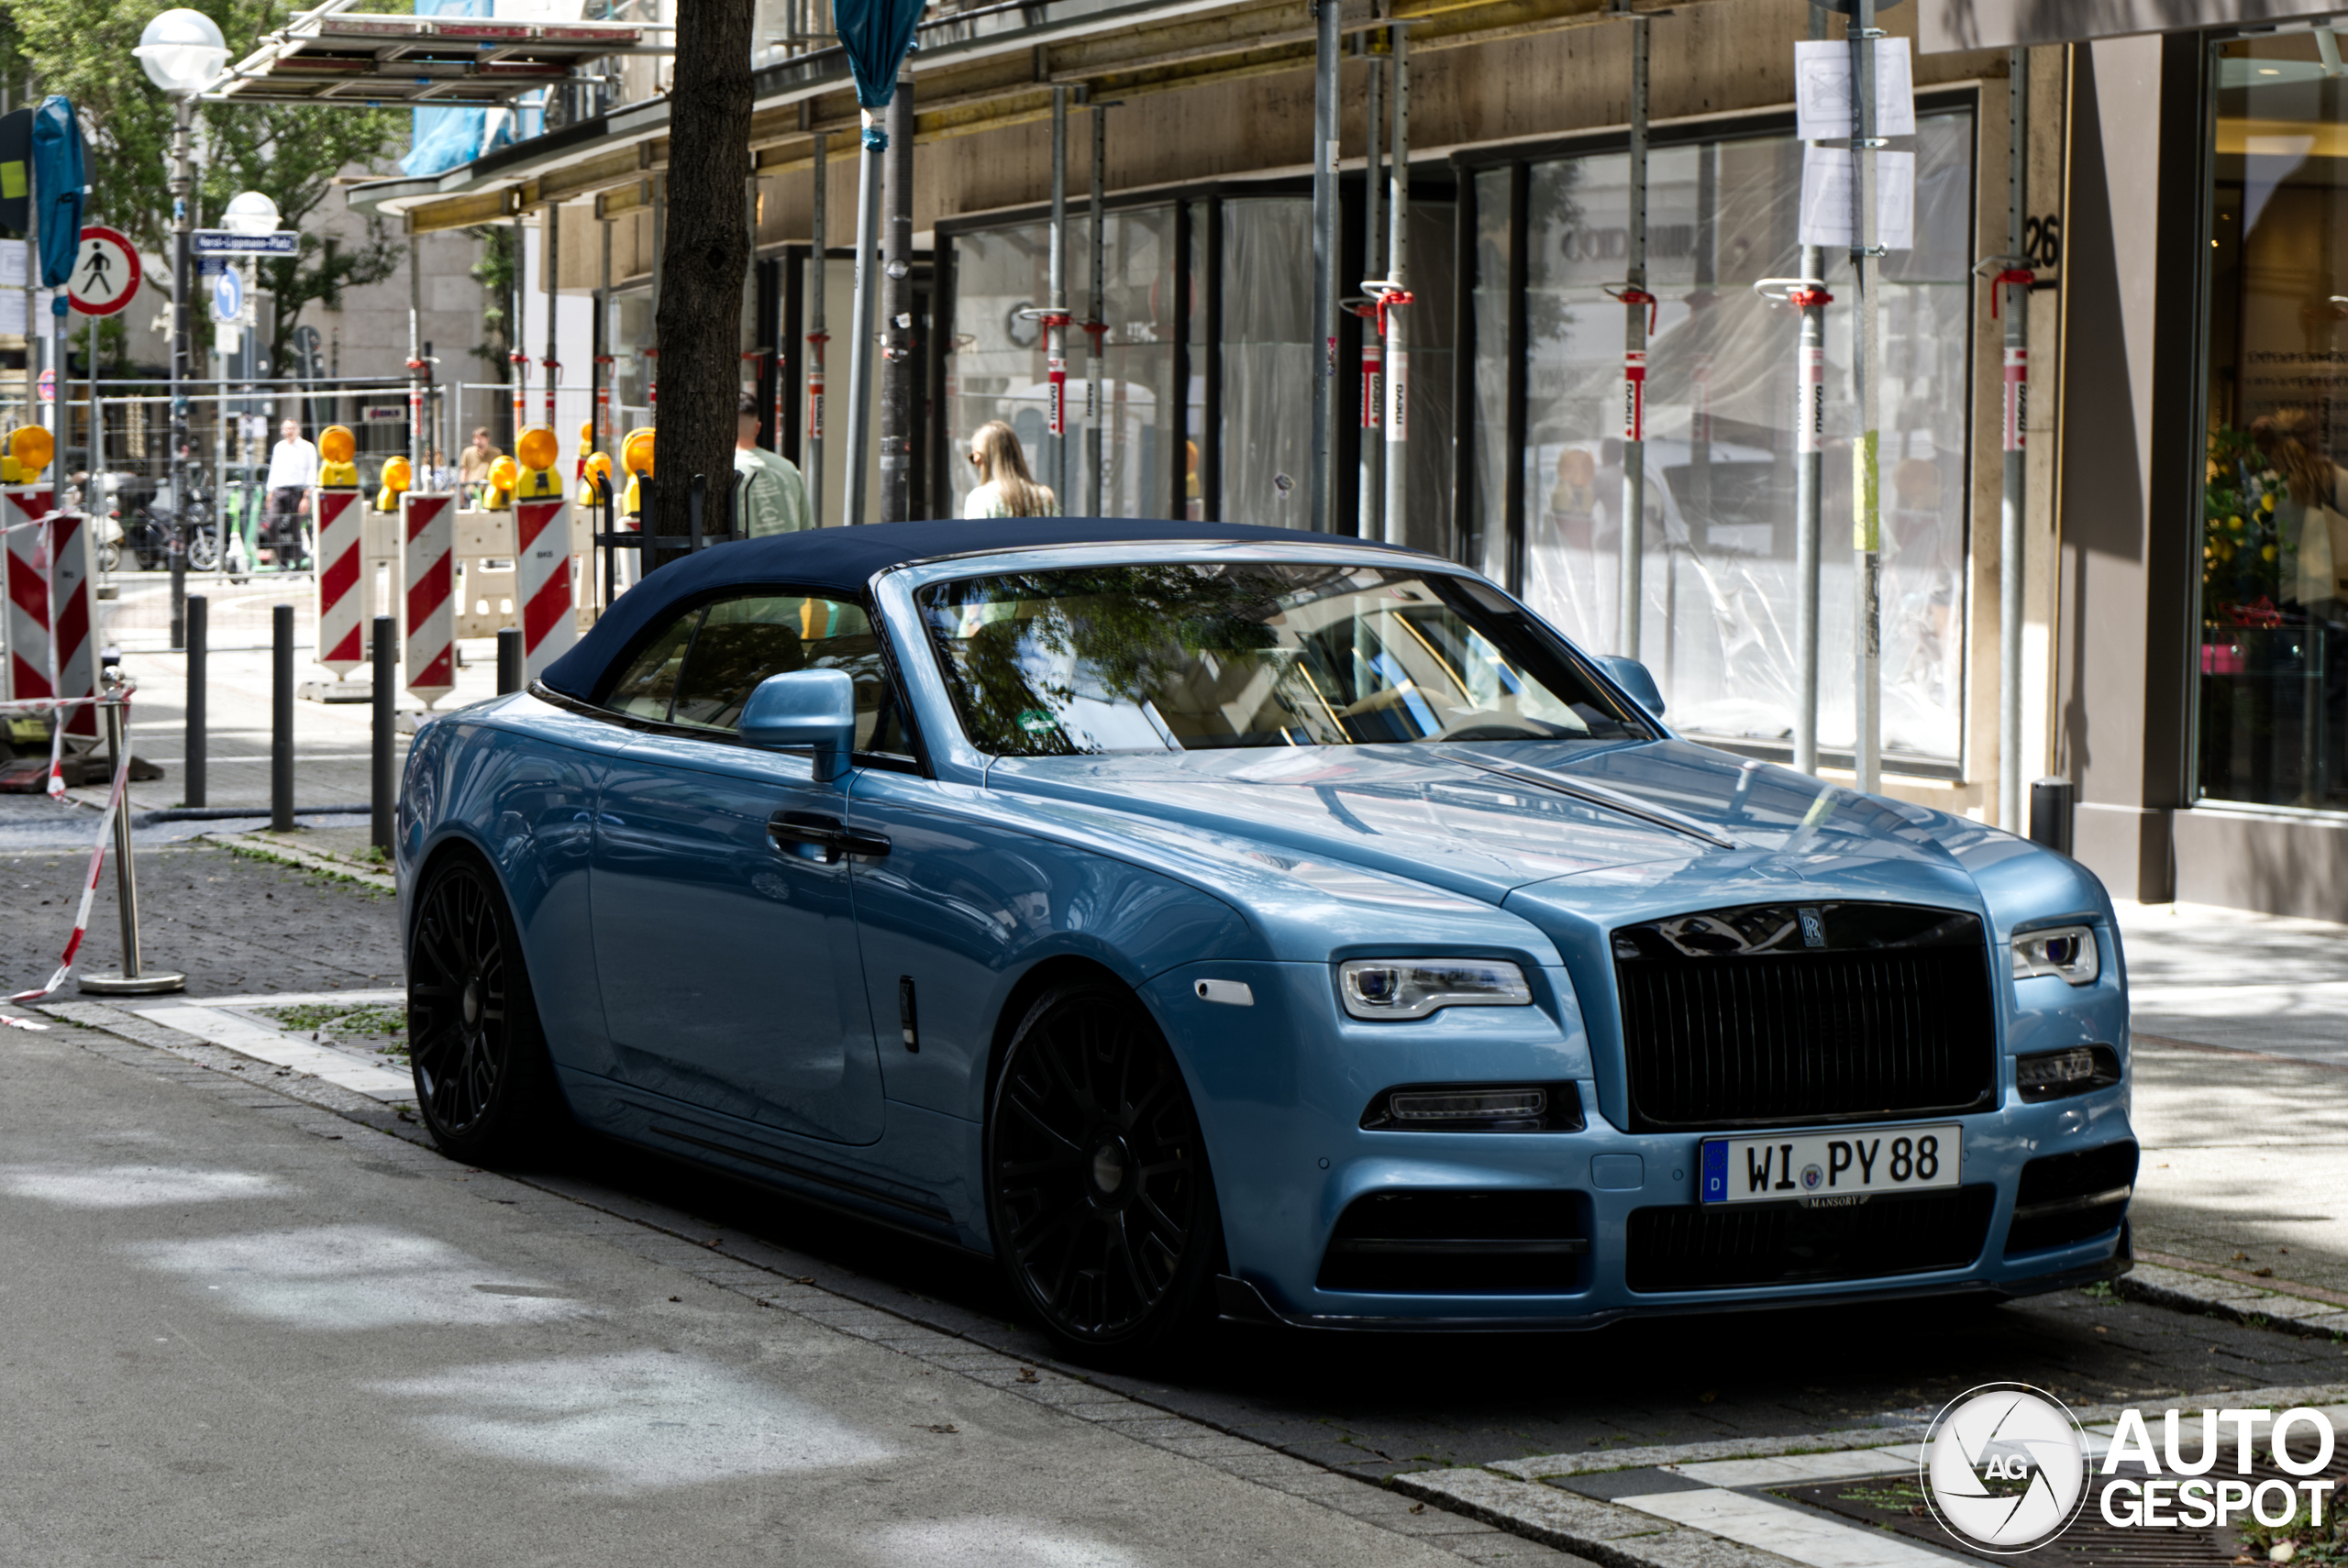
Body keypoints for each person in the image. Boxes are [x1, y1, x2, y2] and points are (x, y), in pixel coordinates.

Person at [731, 392, 812, 537]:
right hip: (788, 557)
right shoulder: (788, 467)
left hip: (745, 558)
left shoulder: (727, 471)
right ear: (758, 427)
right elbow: (807, 527)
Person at [963, 419, 1058, 518]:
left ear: (981, 457)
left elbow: (973, 533)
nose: (975, 461)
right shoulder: (1046, 497)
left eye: (974, 456)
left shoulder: (980, 498)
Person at [262, 418, 316, 567]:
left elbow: (312, 471)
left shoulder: (307, 447)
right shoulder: (279, 447)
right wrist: (269, 492)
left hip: (298, 491)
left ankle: (297, 564)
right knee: (271, 524)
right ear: (282, 430)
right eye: (286, 429)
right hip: (279, 490)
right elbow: (274, 469)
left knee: (296, 528)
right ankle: (282, 560)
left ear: (298, 429)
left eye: (292, 428)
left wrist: (307, 496)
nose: (289, 431)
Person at [457, 427, 502, 507]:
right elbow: (464, 472)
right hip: (471, 490)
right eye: (475, 438)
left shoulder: (496, 453)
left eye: (480, 439)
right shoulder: (468, 452)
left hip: (489, 491)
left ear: (487, 439)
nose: (477, 441)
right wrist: (461, 492)